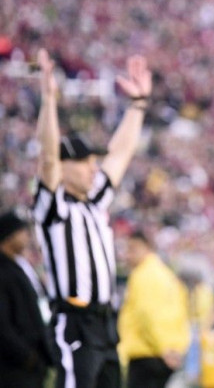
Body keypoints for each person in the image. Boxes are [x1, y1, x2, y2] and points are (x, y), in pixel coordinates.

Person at [31, 48, 152, 388]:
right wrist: (49, 100)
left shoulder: (94, 201)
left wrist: (138, 104)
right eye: (84, 162)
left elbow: (121, 154)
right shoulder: (55, 208)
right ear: (66, 167)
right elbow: (47, 159)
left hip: (105, 323)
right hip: (75, 319)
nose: (93, 168)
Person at [117, 230, 191, 388]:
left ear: (147, 247)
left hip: (149, 353)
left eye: (133, 249)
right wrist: (178, 349)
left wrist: (164, 349)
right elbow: (182, 312)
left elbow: (147, 315)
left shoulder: (143, 275)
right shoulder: (167, 274)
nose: (128, 255)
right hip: (167, 352)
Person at [0, 209, 55, 388]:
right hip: (13, 369)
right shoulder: (4, 271)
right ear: (8, 236)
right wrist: (28, 357)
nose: (26, 236)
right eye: (21, 231)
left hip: (27, 367)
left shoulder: (17, 266)